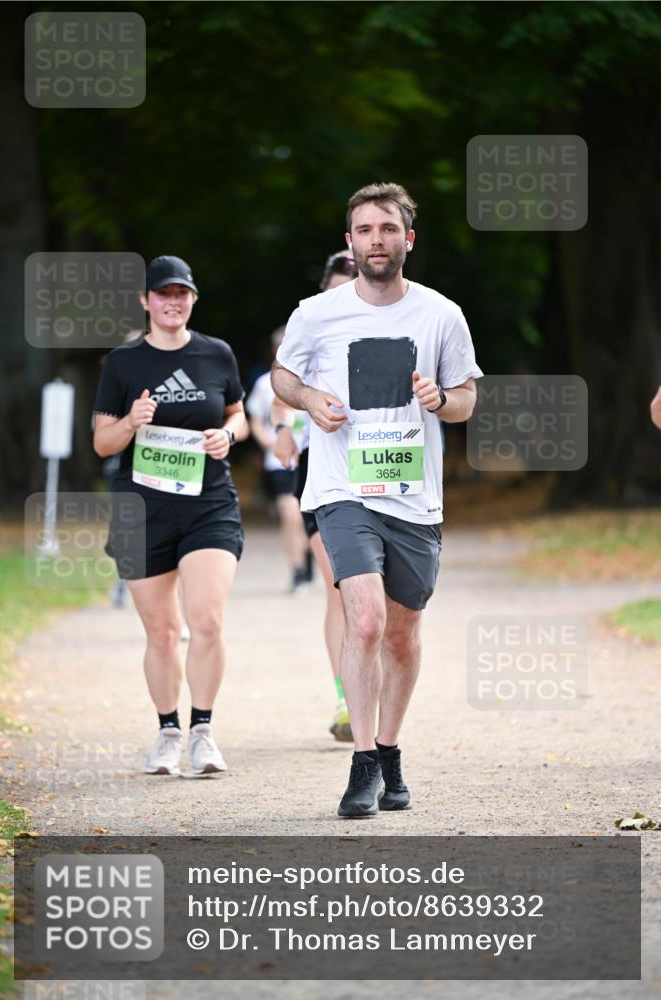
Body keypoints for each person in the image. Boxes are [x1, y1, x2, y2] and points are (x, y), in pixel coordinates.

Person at [272, 183, 483, 817]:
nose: (376, 240)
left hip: (415, 498)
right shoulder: (317, 313)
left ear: (407, 239)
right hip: (342, 490)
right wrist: (310, 402)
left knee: (400, 634)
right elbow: (285, 374)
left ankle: (390, 750)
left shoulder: (441, 315)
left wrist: (440, 401)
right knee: (363, 620)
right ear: (350, 242)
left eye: (387, 229)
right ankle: (362, 763)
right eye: (364, 230)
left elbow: (468, 397)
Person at [93, 255, 247, 777]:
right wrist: (132, 422)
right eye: (164, 294)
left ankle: (203, 730)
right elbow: (101, 442)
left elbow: (236, 414)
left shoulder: (216, 354)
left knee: (206, 619)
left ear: (193, 300)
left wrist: (229, 436)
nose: (173, 302)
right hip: (143, 510)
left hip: (208, 505)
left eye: (182, 293)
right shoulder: (121, 363)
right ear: (145, 301)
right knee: (161, 631)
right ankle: (167, 732)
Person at [272, 250, 358, 741]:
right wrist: (282, 427)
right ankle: (347, 699)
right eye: (338, 283)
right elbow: (280, 388)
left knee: (382, 595)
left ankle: (375, 687)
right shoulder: (310, 327)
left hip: (381, 471)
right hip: (320, 474)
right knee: (341, 589)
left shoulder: (394, 323)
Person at [246, 327, 311, 593]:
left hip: (311, 456)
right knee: (289, 513)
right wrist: (269, 442)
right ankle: (296, 569)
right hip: (280, 460)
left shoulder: (315, 377)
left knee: (309, 517)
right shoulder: (264, 384)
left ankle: (309, 557)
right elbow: (255, 422)